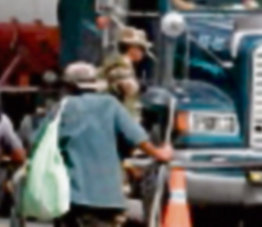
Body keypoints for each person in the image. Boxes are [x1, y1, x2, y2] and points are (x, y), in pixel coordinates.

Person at [48, 62, 172, 227]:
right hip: (109, 199)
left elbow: (39, 143)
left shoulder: (63, 108)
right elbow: (137, 137)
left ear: (69, 86)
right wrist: (159, 153)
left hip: (73, 198)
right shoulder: (110, 105)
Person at [99, 27, 150, 118]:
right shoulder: (119, 64)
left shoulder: (124, 64)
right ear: (132, 48)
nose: (143, 53)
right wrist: (140, 87)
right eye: (141, 49)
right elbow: (128, 88)